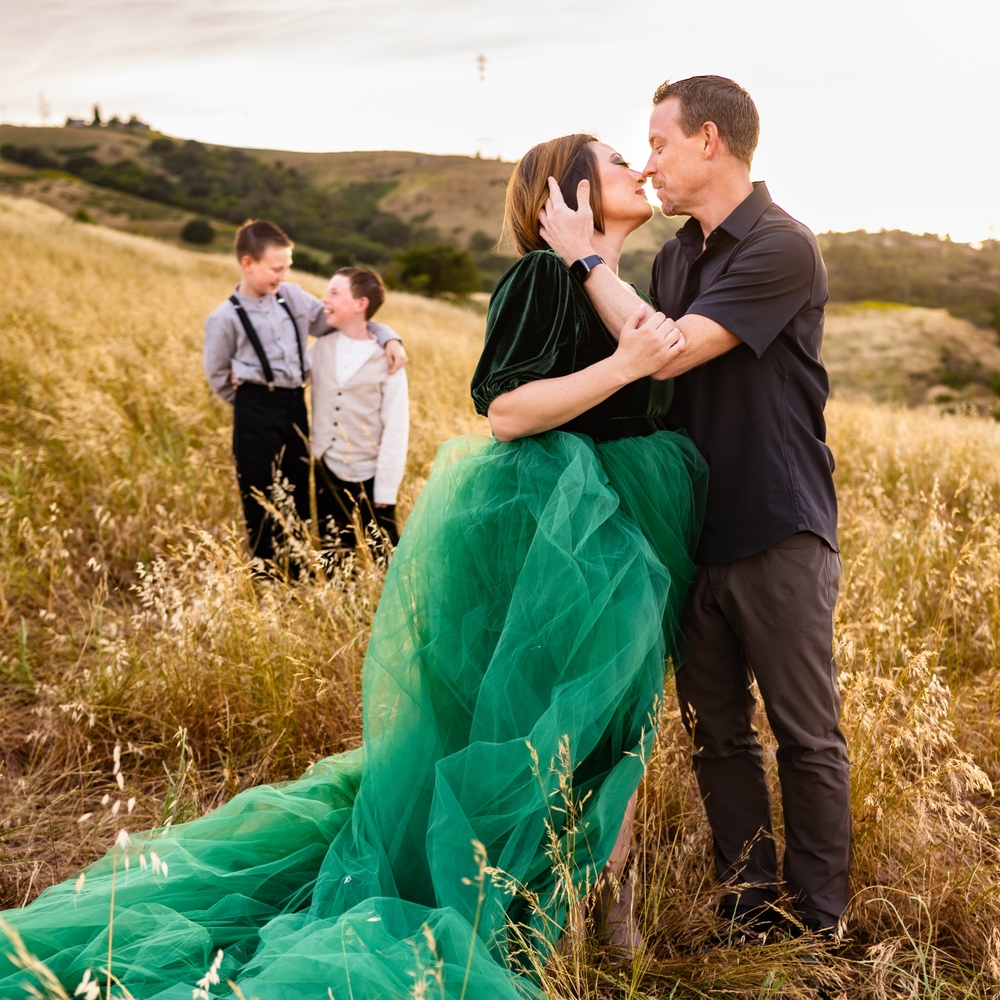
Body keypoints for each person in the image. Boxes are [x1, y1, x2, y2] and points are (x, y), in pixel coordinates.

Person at [0, 136, 706, 999]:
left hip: (626, 519)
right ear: (570, 188)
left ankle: (611, 907)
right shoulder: (541, 278)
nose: (638, 162)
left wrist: (623, 326)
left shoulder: (616, 276)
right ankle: (504, 895)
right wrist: (625, 363)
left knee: (621, 716)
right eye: (614, 154)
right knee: (536, 724)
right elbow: (508, 411)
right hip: (551, 524)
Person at [539, 75, 848, 938]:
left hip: (779, 525)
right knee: (718, 737)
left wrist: (586, 256)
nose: (650, 165)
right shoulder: (676, 257)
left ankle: (820, 928)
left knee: (806, 737)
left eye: (661, 144)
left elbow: (665, 355)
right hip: (691, 536)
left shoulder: (784, 246)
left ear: (709, 141)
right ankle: (750, 912)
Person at [203, 219, 407, 567]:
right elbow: (218, 375)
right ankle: (268, 572)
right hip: (254, 408)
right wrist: (251, 402)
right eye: (276, 268)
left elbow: (345, 316)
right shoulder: (224, 317)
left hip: (295, 405)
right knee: (259, 492)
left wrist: (387, 334)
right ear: (247, 264)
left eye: (287, 268)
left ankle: (297, 568)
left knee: (297, 492)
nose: (282, 275)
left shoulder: (293, 297)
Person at [310, 266, 408, 556]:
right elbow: (289, 377)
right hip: (326, 466)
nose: (324, 299)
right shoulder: (319, 348)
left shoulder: (389, 359)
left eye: (334, 292)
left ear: (360, 304)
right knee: (334, 552)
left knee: (386, 556)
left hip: (370, 473)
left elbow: (396, 427)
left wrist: (386, 489)